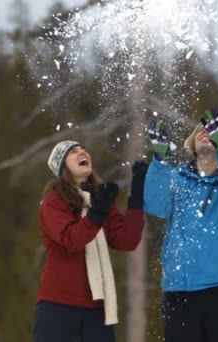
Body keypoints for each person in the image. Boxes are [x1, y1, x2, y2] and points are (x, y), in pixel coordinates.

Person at [144, 106, 218, 342]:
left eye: (211, 131)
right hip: (179, 293)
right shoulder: (176, 180)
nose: (205, 133)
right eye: (200, 130)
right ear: (191, 144)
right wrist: (159, 160)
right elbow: (155, 205)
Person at [33, 140, 147, 342]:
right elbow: (72, 239)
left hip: (96, 307)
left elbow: (127, 240)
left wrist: (136, 197)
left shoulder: (99, 198)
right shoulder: (53, 200)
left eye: (83, 149)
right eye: (73, 152)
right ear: (62, 166)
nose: (81, 152)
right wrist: (96, 213)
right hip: (59, 304)